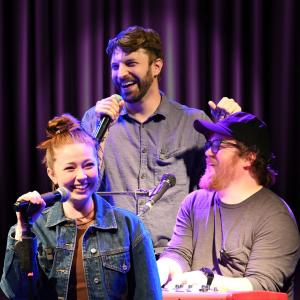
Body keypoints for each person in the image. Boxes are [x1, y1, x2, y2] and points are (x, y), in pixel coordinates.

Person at [81, 25, 241, 255]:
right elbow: (81, 187)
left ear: (156, 66)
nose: (121, 73)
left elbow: (222, 186)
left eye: (131, 63)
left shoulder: (192, 122)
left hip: (175, 256)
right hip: (113, 255)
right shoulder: (97, 119)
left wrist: (230, 131)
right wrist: (99, 134)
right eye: (115, 66)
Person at [0, 114, 162, 300]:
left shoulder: (130, 226)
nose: (82, 176)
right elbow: (16, 293)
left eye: (88, 165)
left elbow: (149, 295)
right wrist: (24, 230)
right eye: (70, 168)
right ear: (52, 174)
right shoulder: (35, 228)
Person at [157, 112, 300, 299]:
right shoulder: (193, 202)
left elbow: (262, 285)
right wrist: (164, 268)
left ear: (249, 157)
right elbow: (179, 254)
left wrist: (206, 281)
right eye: (209, 144)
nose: (208, 152)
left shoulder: (276, 218)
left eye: (218, 145)